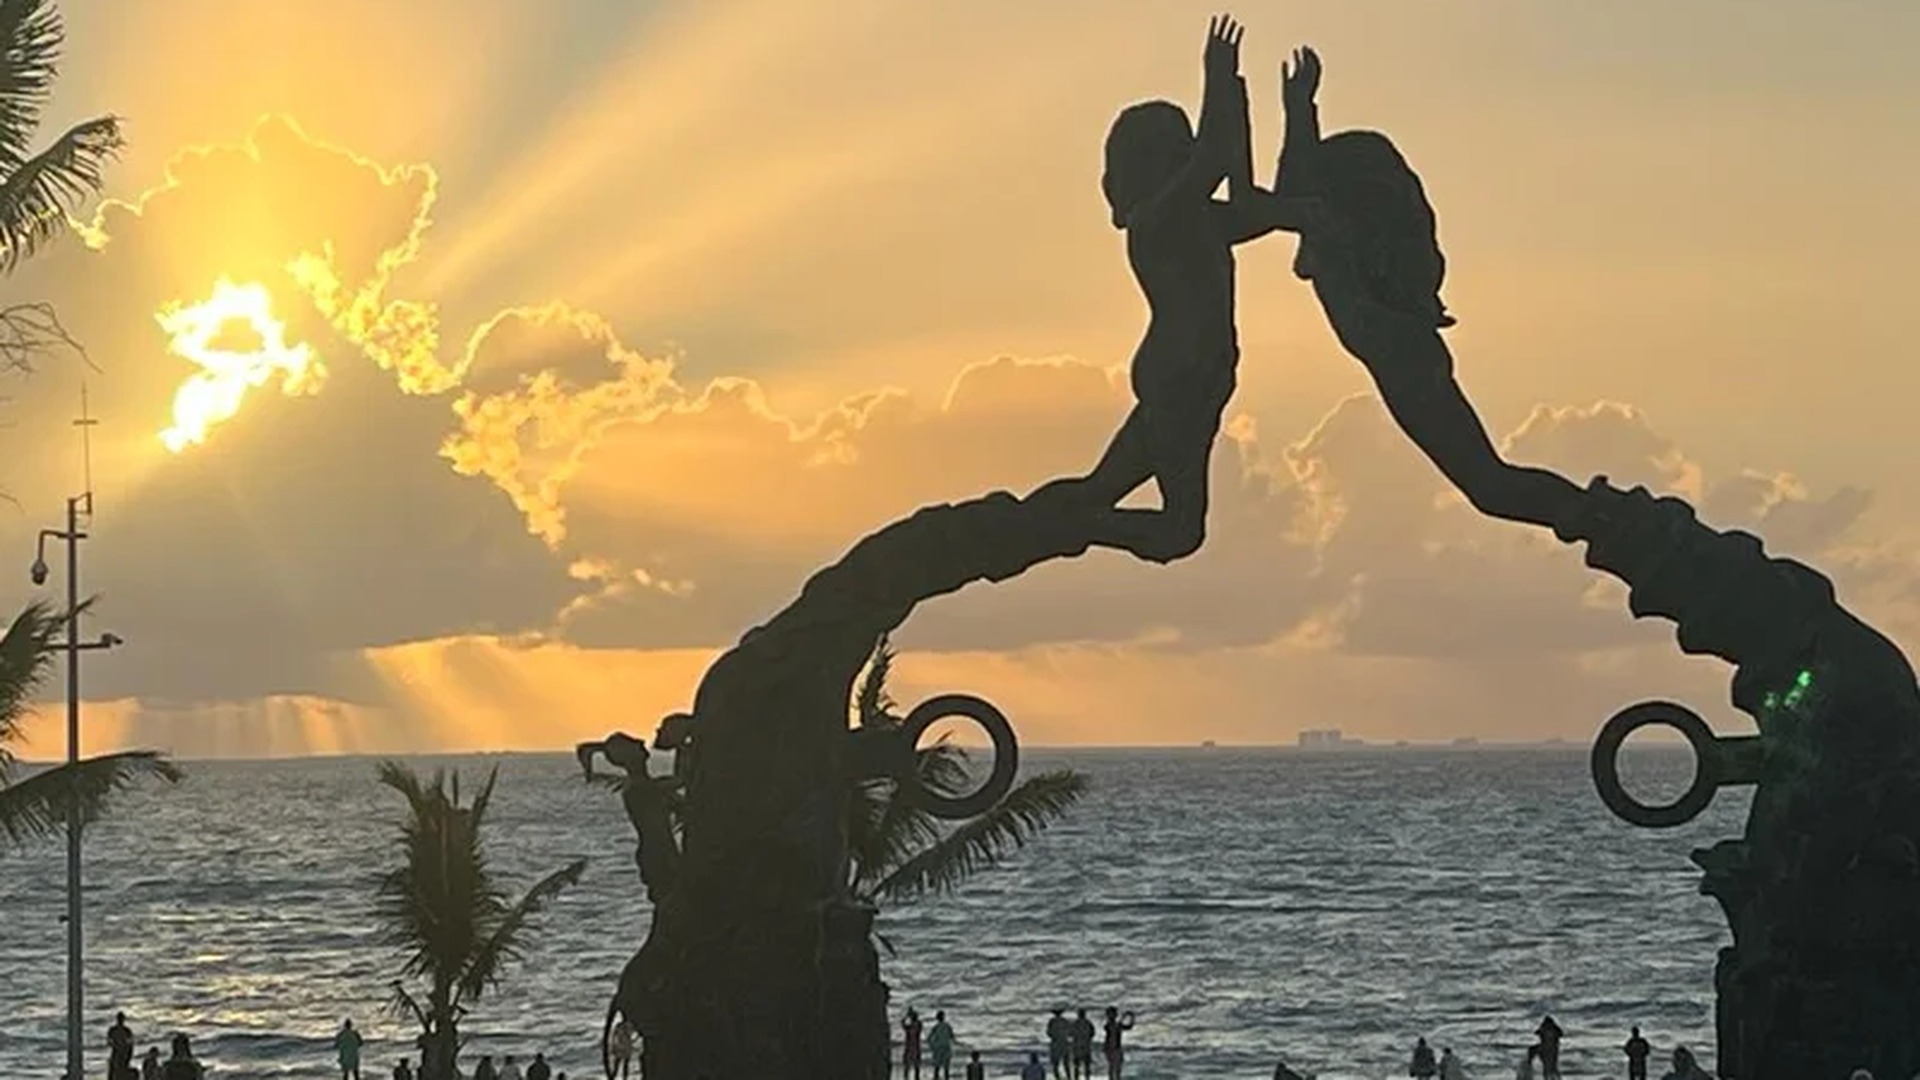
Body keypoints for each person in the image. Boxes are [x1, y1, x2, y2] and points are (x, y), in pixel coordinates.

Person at [1031, 14, 1320, 567]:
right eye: (1178, 155)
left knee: (1099, 490)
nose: (1188, 163)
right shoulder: (1156, 223)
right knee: (1180, 531)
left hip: (1199, 379)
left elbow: (1262, 204)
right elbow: (1215, 159)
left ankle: (1048, 521)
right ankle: (1066, 525)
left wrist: (1293, 110)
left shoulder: (1201, 222)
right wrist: (1218, 75)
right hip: (1179, 377)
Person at [1102, 1007, 1135, 1080]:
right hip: (1110, 1049)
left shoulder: (1116, 1025)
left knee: (1117, 1069)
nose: (1111, 1016)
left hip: (1117, 1049)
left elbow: (1128, 1027)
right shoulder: (1108, 1025)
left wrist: (1132, 1019)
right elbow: (1110, 1028)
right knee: (1112, 1068)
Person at [928, 1011, 956, 1080]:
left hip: (938, 1049)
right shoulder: (948, 1026)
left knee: (937, 1068)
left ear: (937, 1018)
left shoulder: (936, 1027)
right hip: (946, 1048)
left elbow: (929, 1038)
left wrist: (932, 1046)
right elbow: (952, 1037)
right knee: (946, 1069)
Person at [108, 1012, 136, 1080]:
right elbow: (109, 1041)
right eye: (119, 1019)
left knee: (122, 1070)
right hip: (116, 1052)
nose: (120, 1021)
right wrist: (116, 1045)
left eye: (121, 1019)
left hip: (124, 1053)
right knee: (112, 1071)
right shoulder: (113, 1030)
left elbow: (131, 1043)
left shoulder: (127, 1031)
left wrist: (128, 1053)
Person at [1069, 1009, 1096, 1080]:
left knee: (1076, 1066)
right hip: (1086, 1047)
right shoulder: (1088, 1023)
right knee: (1087, 1066)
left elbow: (1070, 1034)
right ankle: (1087, 1078)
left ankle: (1076, 1078)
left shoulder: (1075, 1024)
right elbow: (1092, 1034)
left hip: (1077, 1047)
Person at [1047, 1008, 1071, 1080]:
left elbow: (1049, 1033)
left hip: (1055, 1043)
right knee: (1066, 1063)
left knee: (1055, 1063)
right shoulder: (1065, 1021)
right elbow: (1070, 1032)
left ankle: (1057, 1077)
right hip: (1064, 1043)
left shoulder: (1052, 1022)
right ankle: (1069, 1077)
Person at [902, 1007, 925, 1079]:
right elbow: (920, 1025)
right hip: (916, 1046)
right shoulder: (918, 1026)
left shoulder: (909, 1027)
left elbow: (902, 1024)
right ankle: (916, 1077)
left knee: (907, 1064)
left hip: (909, 1046)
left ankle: (906, 1077)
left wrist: (906, 1016)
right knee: (916, 1064)